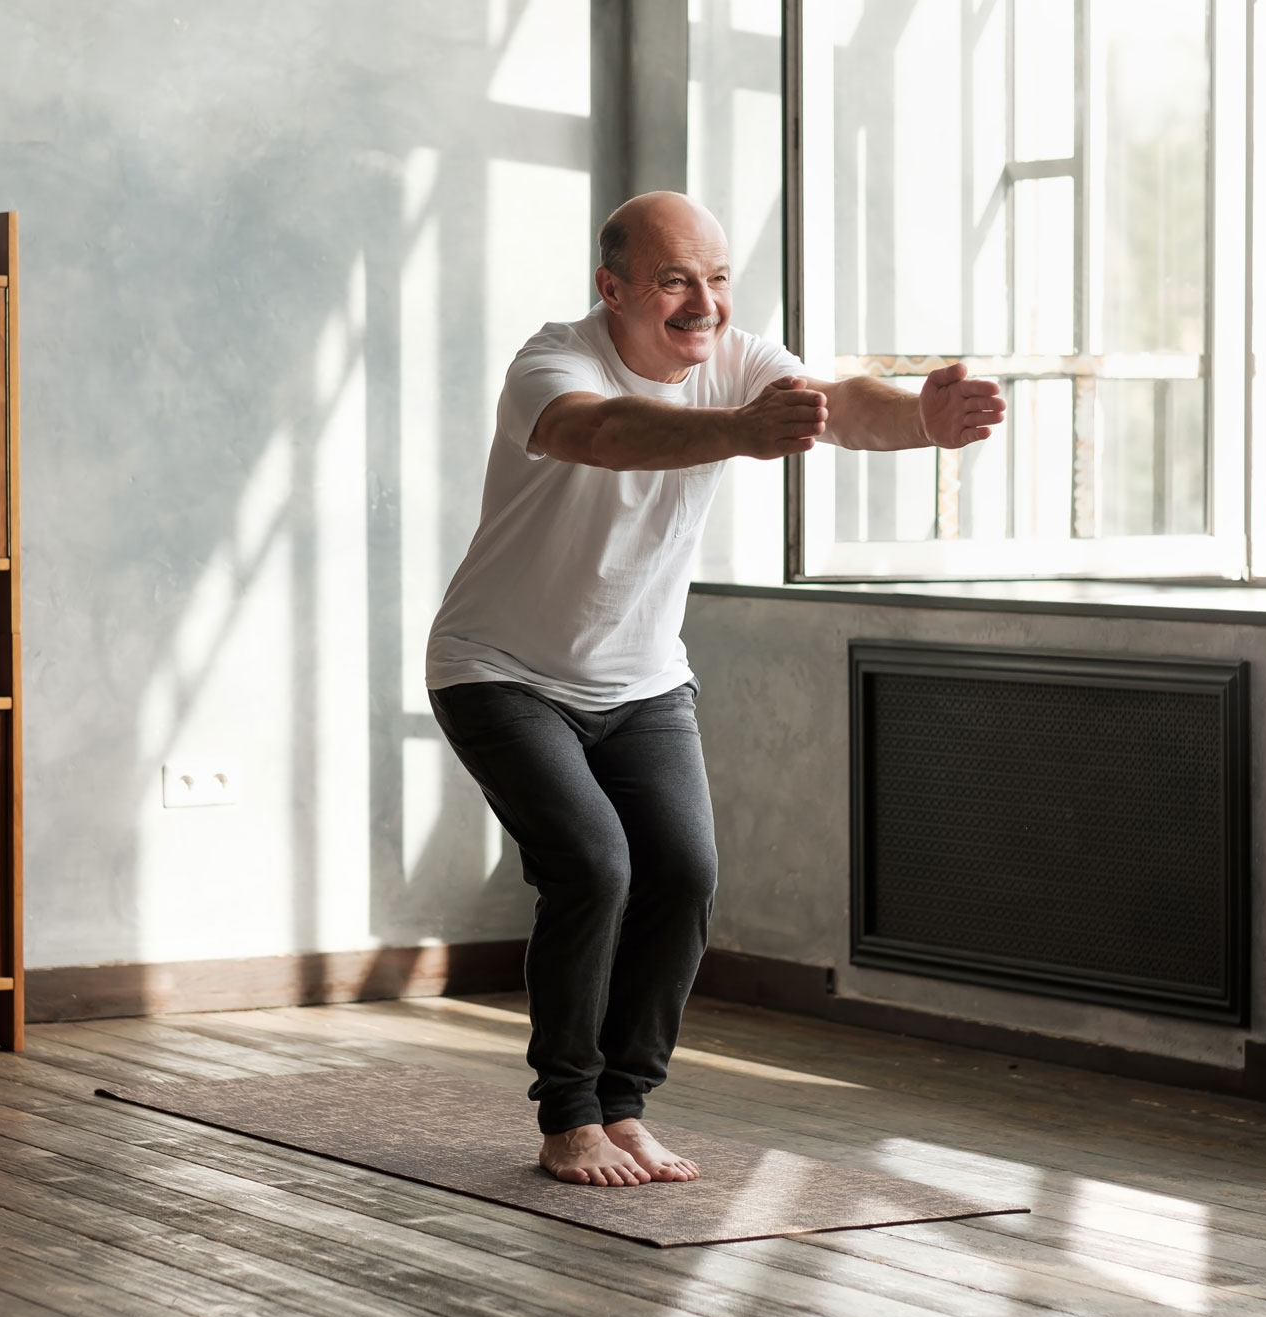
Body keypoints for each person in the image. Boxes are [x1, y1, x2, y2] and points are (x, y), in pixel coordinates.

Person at [426, 192, 1005, 1186]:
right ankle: (566, 1115)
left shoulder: (737, 362)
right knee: (592, 864)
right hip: (499, 670)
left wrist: (918, 416)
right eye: (672, 281)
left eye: (718, 279)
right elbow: (603, 432)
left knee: (683, 875)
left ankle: (623, 1104)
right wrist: (737, 431)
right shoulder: (550, 364)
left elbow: (833, 405)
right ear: (610, 289)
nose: (704, 304)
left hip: (642, 679)